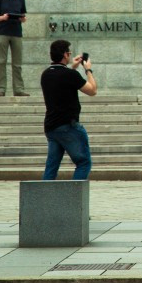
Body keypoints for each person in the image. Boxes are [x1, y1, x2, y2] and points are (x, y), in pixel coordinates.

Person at [41, 40, 98, 180]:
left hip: (51, 127)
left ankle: (44, 194)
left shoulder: (46, 74)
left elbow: (63, 80)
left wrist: (73, 67)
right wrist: (88, 70)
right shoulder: (70, 75)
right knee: (83, 163)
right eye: (69, 53)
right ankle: (75, 193)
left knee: (51, 167)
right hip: (68, 126)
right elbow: (92, 90)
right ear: (65, 55)